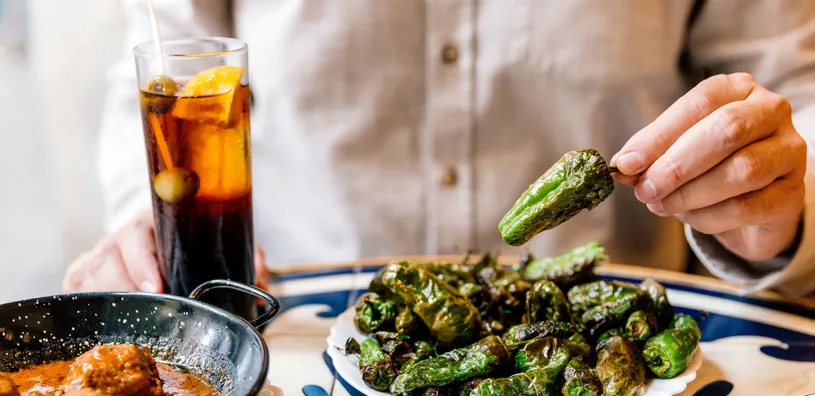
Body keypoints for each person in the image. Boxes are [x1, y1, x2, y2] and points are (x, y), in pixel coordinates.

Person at [64, 0, 815, 297]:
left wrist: (782, 205)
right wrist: (146, 221)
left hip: (616, 352)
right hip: (297, 336)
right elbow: (165, 74)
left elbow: (793, 92)